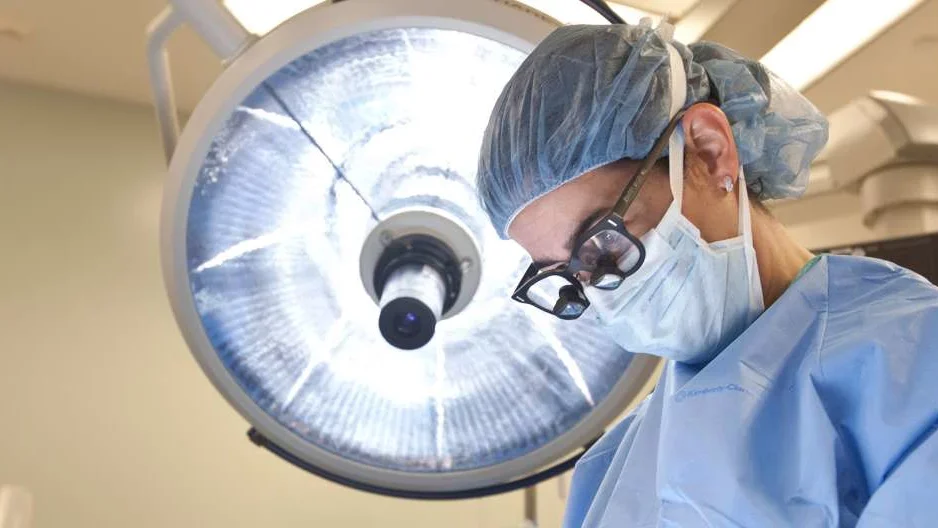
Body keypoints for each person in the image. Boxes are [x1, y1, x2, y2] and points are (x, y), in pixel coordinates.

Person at [477, 21, 938, 527]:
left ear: (709, 152)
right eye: (573, 277)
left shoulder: (914, 362)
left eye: (604, 244)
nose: (605, 293)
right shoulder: (613, 469)